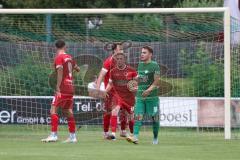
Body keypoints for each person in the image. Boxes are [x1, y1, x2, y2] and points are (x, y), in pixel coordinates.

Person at [41, 40, 80, 143]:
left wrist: (58, 86)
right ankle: (72, 137)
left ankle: (54, 135)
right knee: (68, 112)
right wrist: (70, 74)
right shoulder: (70, 57)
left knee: (53, 110)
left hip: (62, 88)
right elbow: (78, 69)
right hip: (70, 87)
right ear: (65, 46)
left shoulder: (59, 58)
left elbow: (60, 71)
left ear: (56, 47)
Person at [127, 46, 160, 145]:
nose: (142, 54)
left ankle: (155, 137)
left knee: (155, 120)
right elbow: (142, 78)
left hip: (152, 98)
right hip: (140, 97)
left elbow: (156, 82)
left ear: (150, 54)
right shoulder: (140, 65)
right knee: (138, 117)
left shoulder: (155, 66)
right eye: (141, 52)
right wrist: (134, 82)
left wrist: (148, 90)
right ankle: (135, 137)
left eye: (144, 52)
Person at [96, 43, 128, 139]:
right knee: (109, 111)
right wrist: (97, 88)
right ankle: (106, 132)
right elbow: (101, 75)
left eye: (122, 49)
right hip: (110, 91)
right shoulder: (109, 62)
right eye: (120, 49)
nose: (122, 51)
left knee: (123, 110)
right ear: (114, 50)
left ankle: (119, 132)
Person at [105, 52, 137, 140]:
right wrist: (104, 91)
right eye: (117, 59)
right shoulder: (113, 71)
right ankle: (113, 135)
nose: (119, 60)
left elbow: (136, 83)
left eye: (121, 59)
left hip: (129, 97)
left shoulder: (132, 70)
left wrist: (134, 88)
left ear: (125, 60)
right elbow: (110, 84)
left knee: (131, 118)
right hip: (117, 96)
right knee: (114, 112)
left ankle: (132, 133)